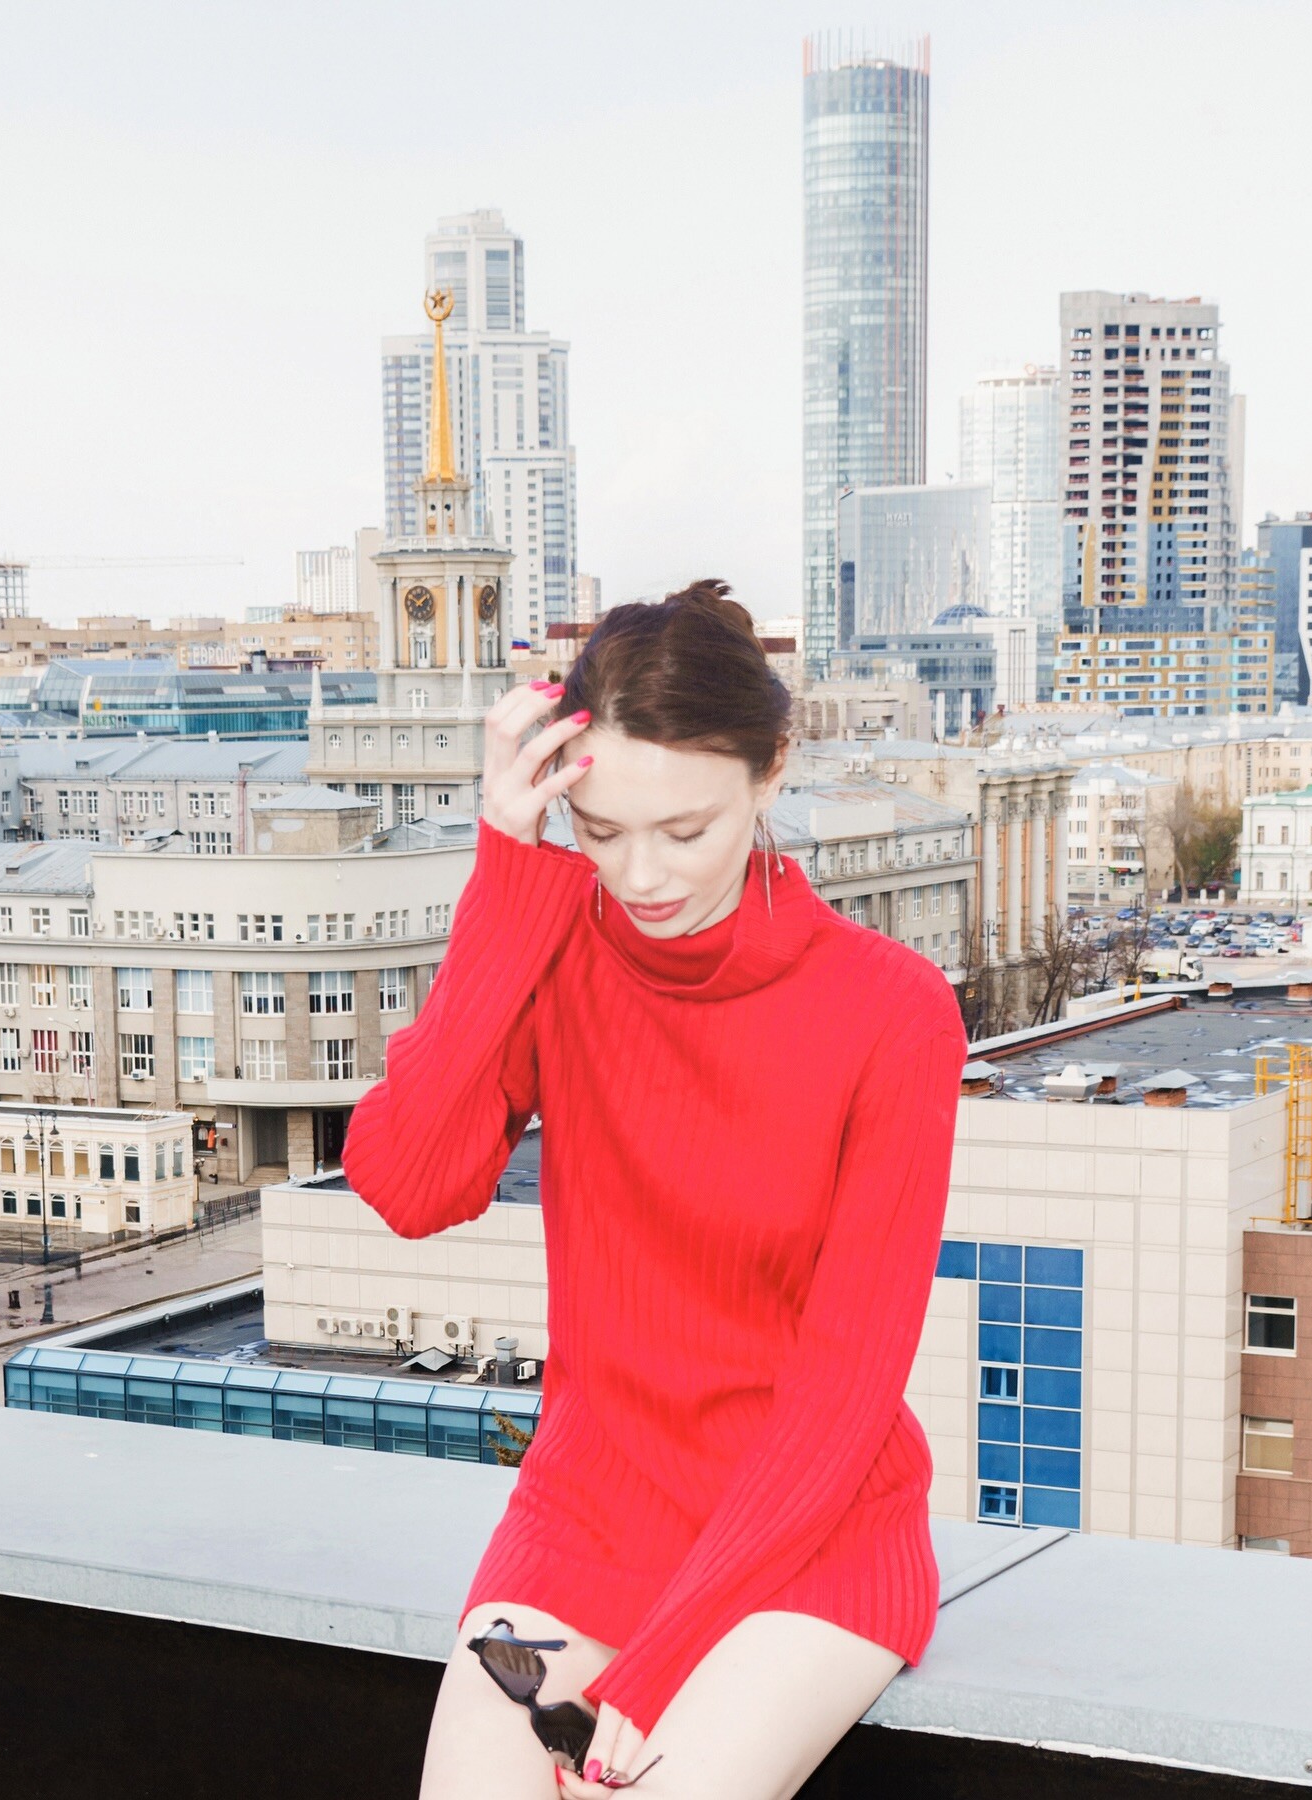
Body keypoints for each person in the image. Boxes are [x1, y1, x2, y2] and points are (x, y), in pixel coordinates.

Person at [341, 579, 967, 1800]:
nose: (641, 876)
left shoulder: (891, 1011)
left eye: (685, 831)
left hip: (806, 1539)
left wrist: (660, 1660)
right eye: (600, 832)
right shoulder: (558, 948)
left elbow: (844, 1388)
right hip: (588, 1517)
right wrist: (506, 872)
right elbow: (410, 1182)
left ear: (771, 771)